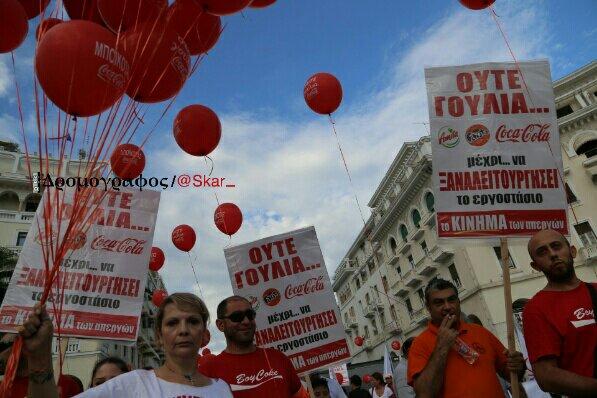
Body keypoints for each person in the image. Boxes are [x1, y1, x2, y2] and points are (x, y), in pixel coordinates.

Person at [18, 293, 233, 397]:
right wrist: (39, 357)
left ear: (204, 333)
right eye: (172, 323)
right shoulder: (132, 385)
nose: (183, 330)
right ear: (159, 336)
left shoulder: (221, 389)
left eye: (192, 321)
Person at [407, 278, 526, 398]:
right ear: (428, 307)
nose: (447, 307)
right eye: (439, 303)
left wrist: (518, 365)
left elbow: (512, 374)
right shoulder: (419, 344)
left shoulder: (480, 332)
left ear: (458, 302)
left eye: (451, 300)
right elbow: (424, 394)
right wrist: (441, 346)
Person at [523, 229, 597, 397]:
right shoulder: (536, 309)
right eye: (542, 252)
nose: (552, 254)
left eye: (556, 246)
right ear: (535, 266)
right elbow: (546, 376)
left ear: (572, 251)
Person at [200, 295, 302, 397]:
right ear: (221, 325)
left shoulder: (278, 358)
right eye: (237, 317)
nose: (246, 321)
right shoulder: (207, 372)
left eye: (250, 315)